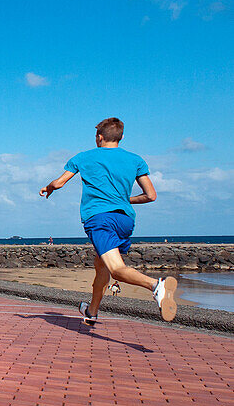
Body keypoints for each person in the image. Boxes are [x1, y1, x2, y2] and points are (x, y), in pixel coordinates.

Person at [41, 117, 177, 324]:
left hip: (100, 219)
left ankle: (156, 286)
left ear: (99, 137)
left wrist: (48, 188)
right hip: (125, 220)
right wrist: (122, 200)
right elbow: (150, 195)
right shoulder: (136, 160)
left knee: (116, 269)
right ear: (121, 137)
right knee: (101, 265)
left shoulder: (84, 157)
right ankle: (92, 311)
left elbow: (59, 183)